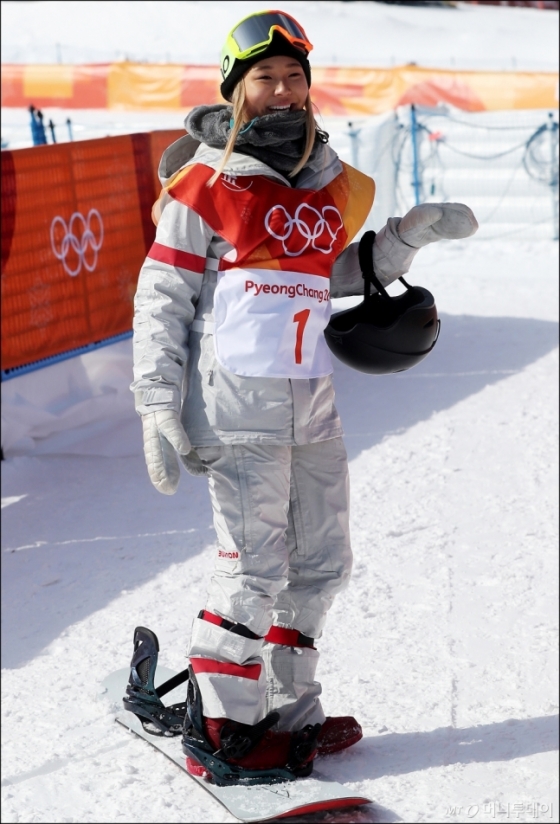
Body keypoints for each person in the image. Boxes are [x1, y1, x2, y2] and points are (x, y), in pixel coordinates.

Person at [129, 9, 478, 784]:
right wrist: (156, 399)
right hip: (234, 408)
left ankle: (287, 713)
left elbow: (329, 276)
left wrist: (405, 239)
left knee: (320, 563)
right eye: (265, 78)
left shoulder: (323, 178)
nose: (282, 90)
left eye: (294, 76)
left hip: (311, 404)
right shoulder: (204, 182)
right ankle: (220, 727)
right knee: (253, 570)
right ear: (236, 87)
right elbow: (163, 295)